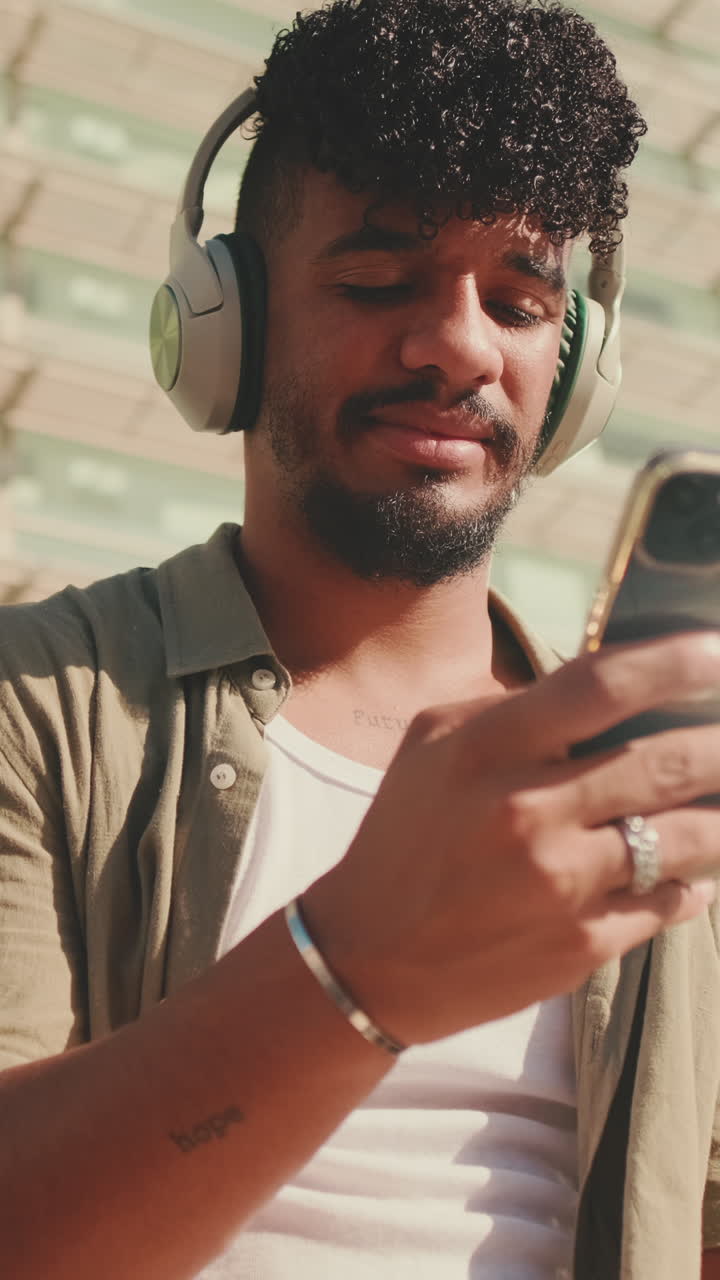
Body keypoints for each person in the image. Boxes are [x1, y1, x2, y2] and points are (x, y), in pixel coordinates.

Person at [1, 1, 719, 1276]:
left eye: (517, 300)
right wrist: (355, 972)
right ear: (228, 321)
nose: (458, 345)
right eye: (381, 278)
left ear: (576, 367)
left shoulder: (649, 792)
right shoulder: (36, 703)